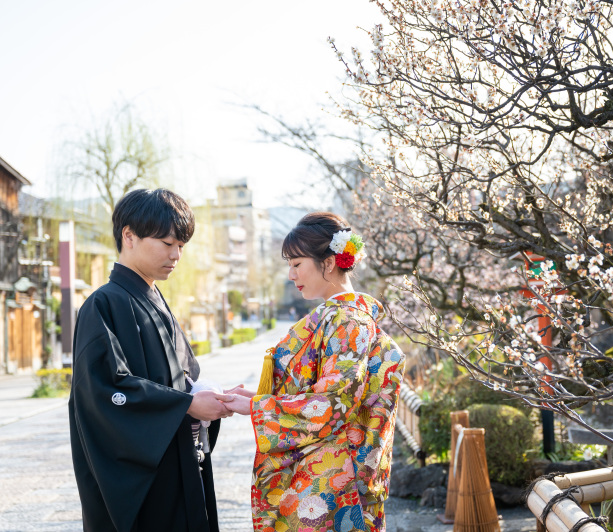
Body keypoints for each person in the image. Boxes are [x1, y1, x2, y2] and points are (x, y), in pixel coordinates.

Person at [225, 212, 406, 532]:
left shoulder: (348, 320)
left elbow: (333, 404)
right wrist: (260, 398)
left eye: (297, 264)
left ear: (329, 262)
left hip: (334, 487)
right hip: (334, 477)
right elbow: (328, 391)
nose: (291, 274)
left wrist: (257, 408)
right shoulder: (344, 317)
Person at [68, 188, 234, 532]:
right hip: (145, 475)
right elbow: (105, 391)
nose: (176, 255)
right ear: (129, 236)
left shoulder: (155, 298)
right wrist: (187, 404)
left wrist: (208, 396)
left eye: (181, 246)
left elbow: (183, 376)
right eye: (166, 243)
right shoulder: (102, 304)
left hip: (178, 456)